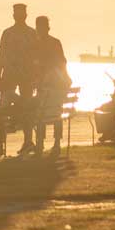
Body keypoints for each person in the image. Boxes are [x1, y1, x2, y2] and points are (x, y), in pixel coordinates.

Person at [0, 3, 38, 158]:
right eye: (17, 13)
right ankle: (1, 144)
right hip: (10, 76)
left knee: (25, 109)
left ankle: (26, 142)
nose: (19, 16)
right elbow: (2, 56)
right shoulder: (8, 33)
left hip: (25, 77)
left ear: (25, 15)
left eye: (21, 13)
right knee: (3, 109)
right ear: (14, 15)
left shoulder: (31, 34)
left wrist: (34, 77)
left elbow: (35, 58)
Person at [32, 16, 71, 154]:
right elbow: (62, 62)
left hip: (46, 87)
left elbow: (35, 65)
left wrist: (38, 80)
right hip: (58, 88)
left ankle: (40, 142)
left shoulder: (36, 45)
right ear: (48, 27)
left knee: (40, 113)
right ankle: (56, 143)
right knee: (56, 113)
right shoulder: (56, 43)